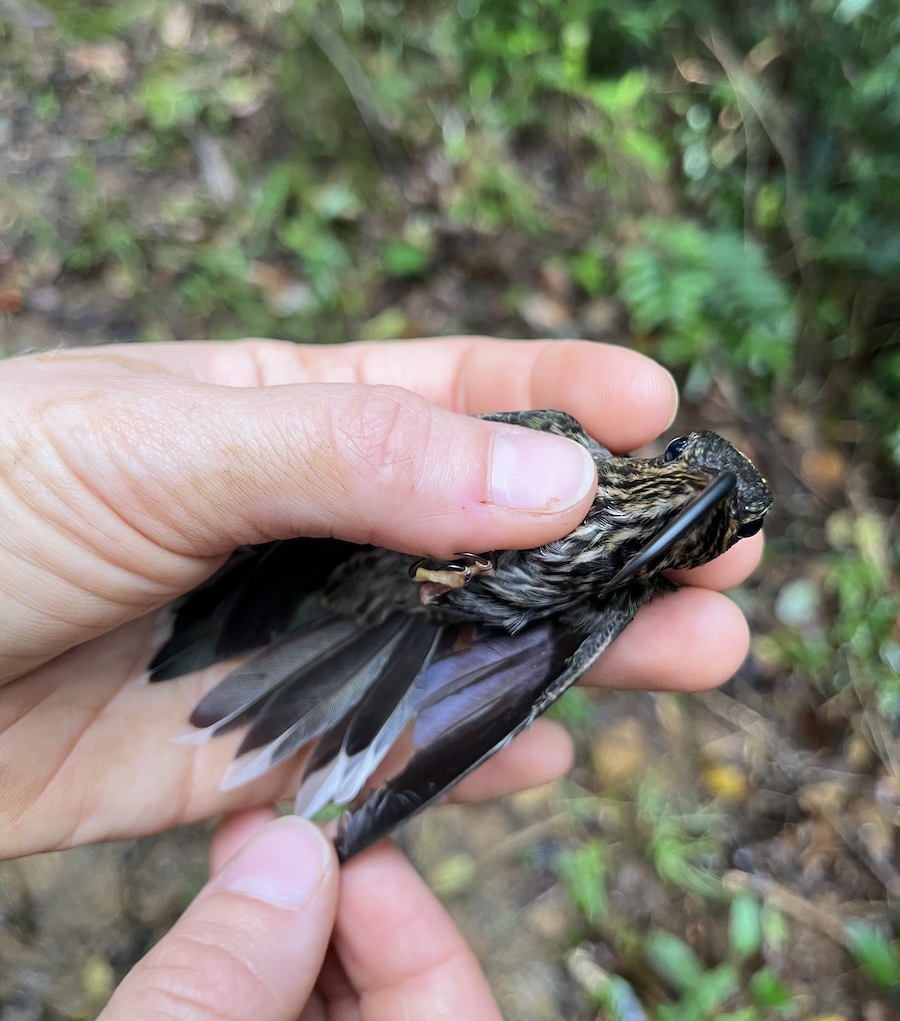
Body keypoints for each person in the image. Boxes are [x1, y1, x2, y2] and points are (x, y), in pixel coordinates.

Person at [0, 336, 761, 1020]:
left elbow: (526, 673)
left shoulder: (621, 593)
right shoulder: (562, 451)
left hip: (418, 622)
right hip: (378, 569)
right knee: (254, 581)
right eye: (693, 473)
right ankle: (232, 585)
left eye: (718, 515)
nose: (697, 495)